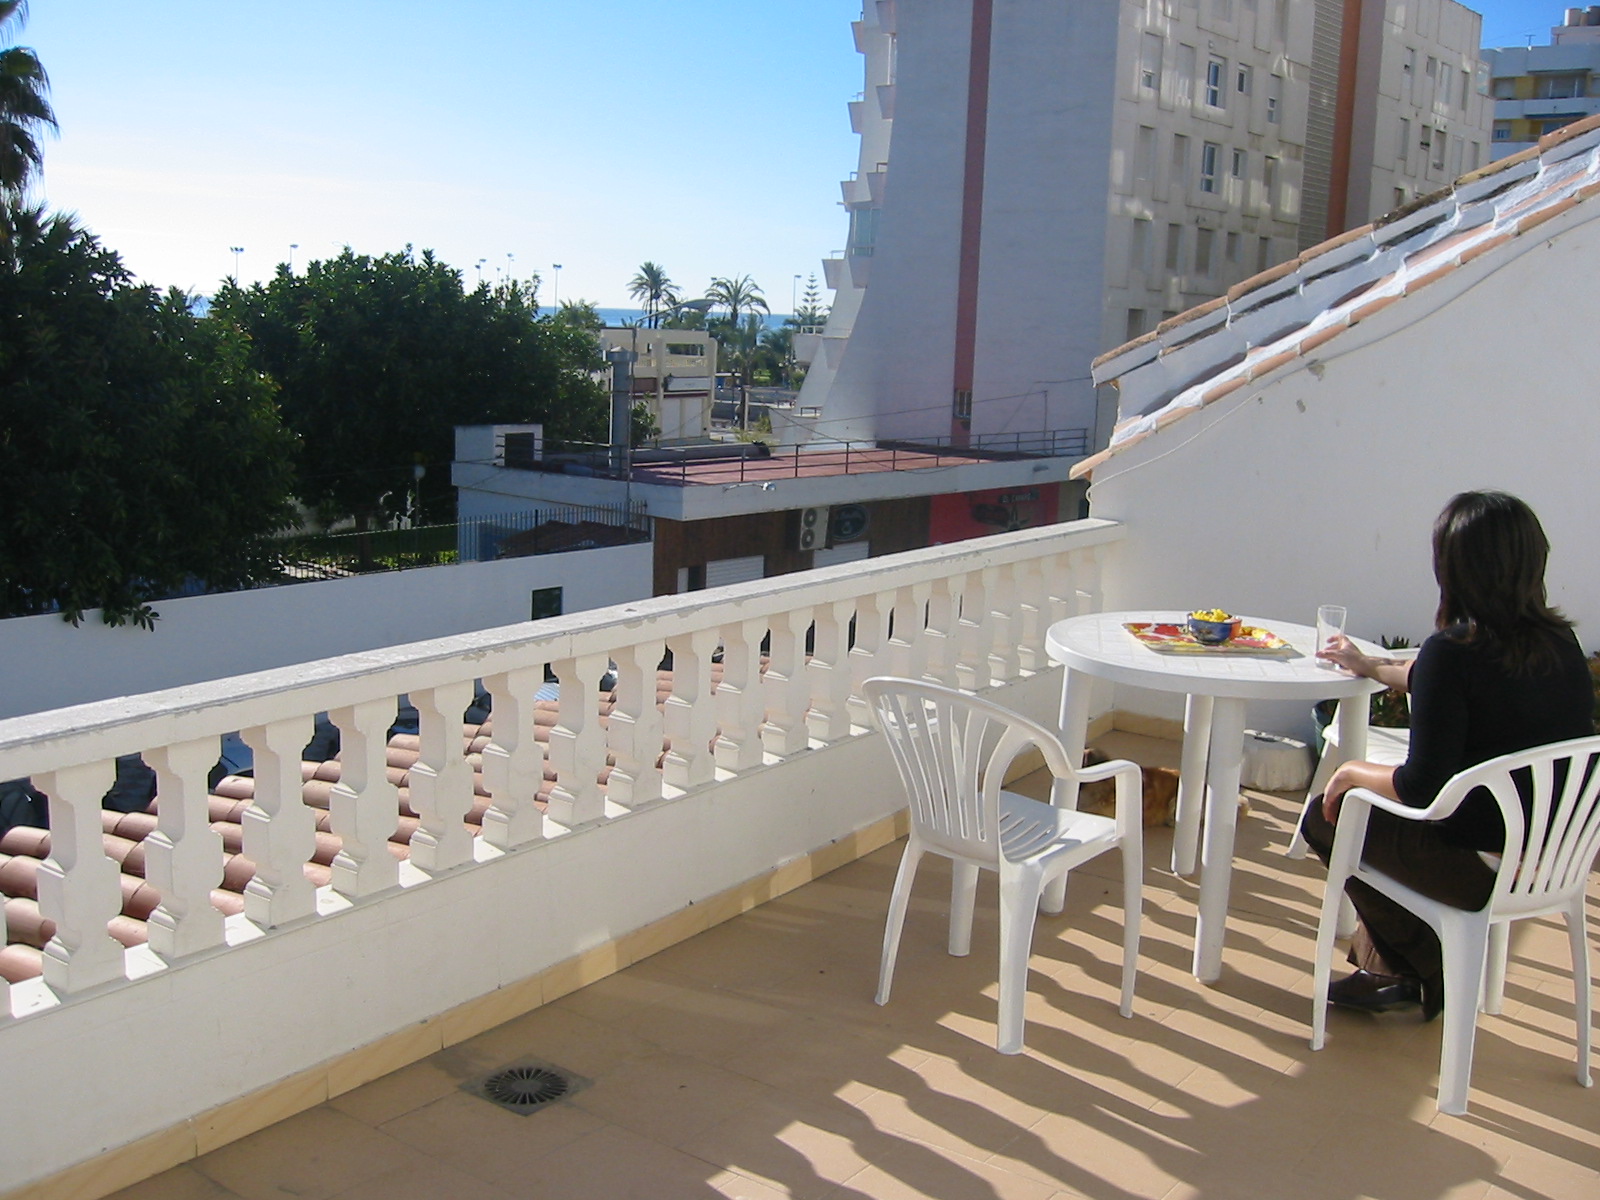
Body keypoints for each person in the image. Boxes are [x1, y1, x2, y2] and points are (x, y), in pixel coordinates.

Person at [1301, 491, 1593, 1020]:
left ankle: (1416, 966)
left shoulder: (1454, 652)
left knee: (1330, 813)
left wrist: (1351, 772)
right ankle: (1395, 968)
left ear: (1455, 568)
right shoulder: (1560, 645)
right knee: (1366, 808)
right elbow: (1426, 677)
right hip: (1551, 860)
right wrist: (1368, 664)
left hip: (1479, 867)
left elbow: (1421, 787)